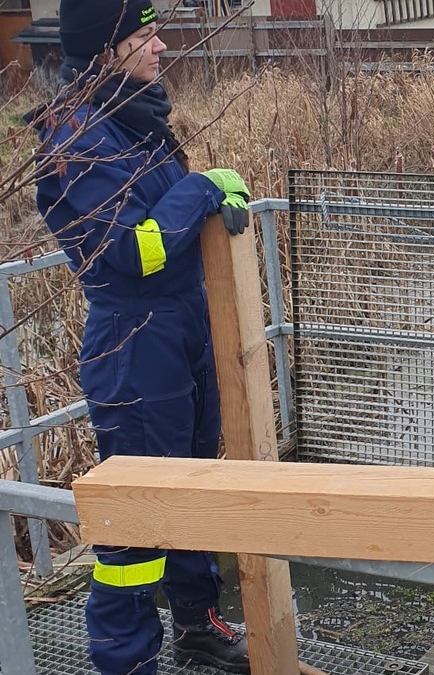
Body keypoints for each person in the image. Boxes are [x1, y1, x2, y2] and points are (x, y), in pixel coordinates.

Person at [29, 1, 252, 673]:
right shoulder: (76, 139)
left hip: (181, 331)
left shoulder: (135, 120)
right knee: (136, 524)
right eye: (144, 35)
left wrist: (207, 201)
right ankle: (128, 661)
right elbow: (135, 249)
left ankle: (199, 626)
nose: (160, 46)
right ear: (105, 51)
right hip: (135, 349)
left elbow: (166, 222)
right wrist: (204, 188)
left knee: (191, 491)